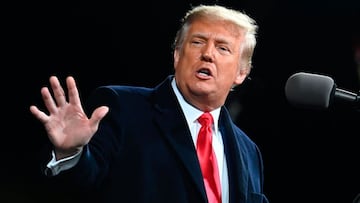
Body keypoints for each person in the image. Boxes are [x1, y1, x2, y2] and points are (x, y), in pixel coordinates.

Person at [30, 4, 269, 203]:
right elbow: (83, 183)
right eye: (197, 42)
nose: (208, 54)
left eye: (222, 48)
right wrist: (71, 153)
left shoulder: (249, 150)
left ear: (241, 72)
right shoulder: (122, 107)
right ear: (177, 55)